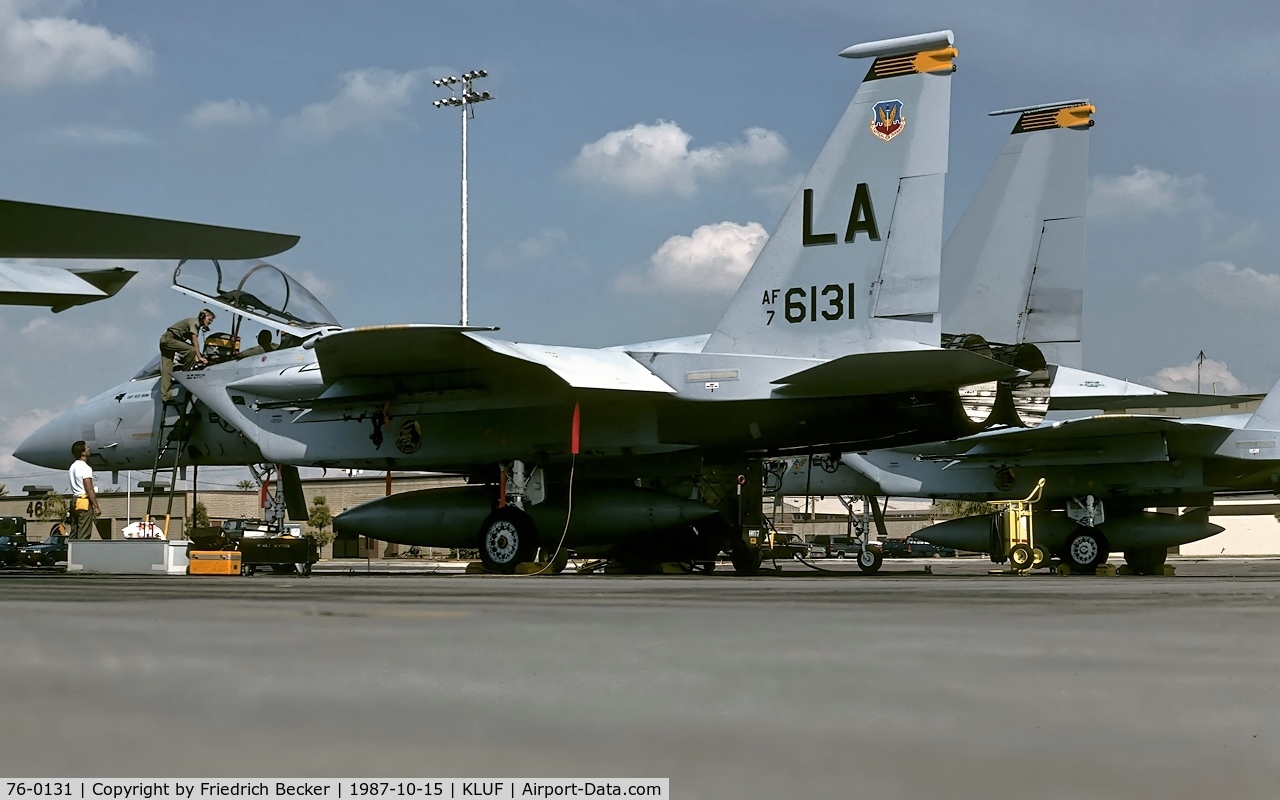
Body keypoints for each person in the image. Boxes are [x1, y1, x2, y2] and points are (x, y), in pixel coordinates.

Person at [159, 309, 215, 403]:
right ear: (203, 317)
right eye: (209, 320)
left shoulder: (192, 324)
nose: (210, 322)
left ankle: (166, 397)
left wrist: (198, 356)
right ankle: (185, 374)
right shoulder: (194, 323)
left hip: (166, 340)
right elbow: (194, 342)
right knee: (191, 350)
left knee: (167, 370)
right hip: (170, 340)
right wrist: (200, 358)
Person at [68, 440, 100, 540]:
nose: (89, 449)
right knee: (84, 532)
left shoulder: (72, 466)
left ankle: (71, 553)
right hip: (83, 501)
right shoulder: (86, 468)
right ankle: (80, 554)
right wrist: (96, 506)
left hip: (74, 500)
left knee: (75, 530)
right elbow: (89, 488)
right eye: (87, 448)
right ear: (83, 453)